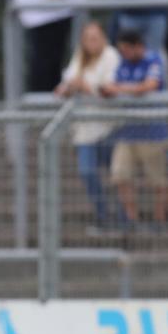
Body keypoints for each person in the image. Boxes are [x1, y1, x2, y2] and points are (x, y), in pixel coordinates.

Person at [55, 22, 122, 233]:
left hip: (108, 127)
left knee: (117, 174)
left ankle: (122, 218)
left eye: (95, 37)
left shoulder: (111, 56)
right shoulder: (80, 57)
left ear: (103, 37)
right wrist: (66, 89)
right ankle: (103, 215)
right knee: (87, 172)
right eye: (87, 39)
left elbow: (110, 89)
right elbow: (67, 81)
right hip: (84, 130)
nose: (91, 43)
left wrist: (86, 87)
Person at [102, 30, 168, 229]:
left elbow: (149, 86)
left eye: (126, 50)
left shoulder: (153, 59)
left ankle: (160, 222)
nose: (124, 54)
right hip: (127, 132)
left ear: (138, 46)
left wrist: (121, 89)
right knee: (120, 175)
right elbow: (111, 86)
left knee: (157, 179)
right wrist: (110, 91)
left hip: (152, 132)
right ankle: (132, 220)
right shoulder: (122, 63)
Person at [12, 0, 86, 92]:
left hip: (51, 10)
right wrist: (58, 1)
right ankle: (43, 109)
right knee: (46, 67)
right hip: (49, 12)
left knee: (50, 65)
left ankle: (46, 107)